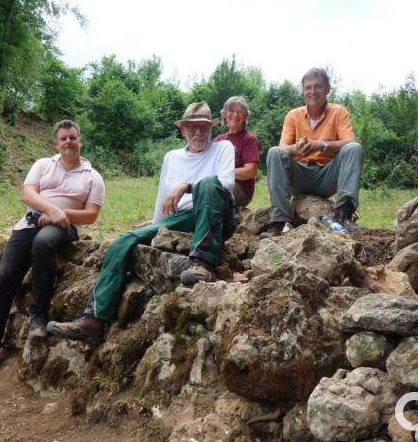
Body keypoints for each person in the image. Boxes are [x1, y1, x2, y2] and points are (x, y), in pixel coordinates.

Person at [46, 102, 236, 347]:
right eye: (193, 127)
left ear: (211, 128)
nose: (199, 133)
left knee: (209, 183)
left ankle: (202, 263)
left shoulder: (223, 148)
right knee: (123, 241)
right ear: (183, 130)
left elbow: (227, 183)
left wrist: (187, 186)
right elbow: (162, 200)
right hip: (182, 219)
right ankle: (93, 319)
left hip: (216, 213)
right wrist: (155, 230)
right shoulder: (172, 157)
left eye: (203, 127)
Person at [0, 120, 106, 375]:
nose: (68, 142)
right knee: (4, 281)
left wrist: (60, 216)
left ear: (80, 141)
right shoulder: (43, 165)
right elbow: (28, 195)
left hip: (63, 228)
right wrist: (51, 209)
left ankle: (39, 315)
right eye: (63, 139)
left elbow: (91, 215)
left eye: (73, 137)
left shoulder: (92, 177)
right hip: (28, 224)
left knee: (44, 242)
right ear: (56, 144)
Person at [261, 68, 364, 237]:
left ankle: (343, 215)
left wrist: (320, 145)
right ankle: (279, 222)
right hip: (300, 175)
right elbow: (282, 148)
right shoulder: (293, 115)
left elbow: (349, 141)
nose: (312, 91)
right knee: (274, 152)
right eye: (308, 87)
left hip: (328, 176)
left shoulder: (339, 112)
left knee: (354, 148)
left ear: (328, 89)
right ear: (303, 90)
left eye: (318, 86)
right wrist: (296, 148)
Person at [214, 96, 260, 208]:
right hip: (220, 183)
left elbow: (251, 171)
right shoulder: (218, 140)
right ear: (224, 114)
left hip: (240, 190)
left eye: (239, 112)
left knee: (210, 189)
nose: (235, 115)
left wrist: (222, 174)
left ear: (245, 116)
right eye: (231, 111)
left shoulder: (249, 139)